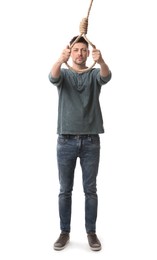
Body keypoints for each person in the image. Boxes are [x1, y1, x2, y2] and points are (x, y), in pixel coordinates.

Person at [48, 36, 112, 251]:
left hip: (91, 140)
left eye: (83, 50)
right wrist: (59, 59)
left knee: (90, 190)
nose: (80, 54)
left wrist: (101, 61)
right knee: (65, 190)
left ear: (87, 53)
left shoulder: (94, 73)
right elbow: (52, 77)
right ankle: (64, 232)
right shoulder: (64, 74)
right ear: (71, 51)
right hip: (65, 140)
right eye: (76, 50)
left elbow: (106, 76)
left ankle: (91, 232)